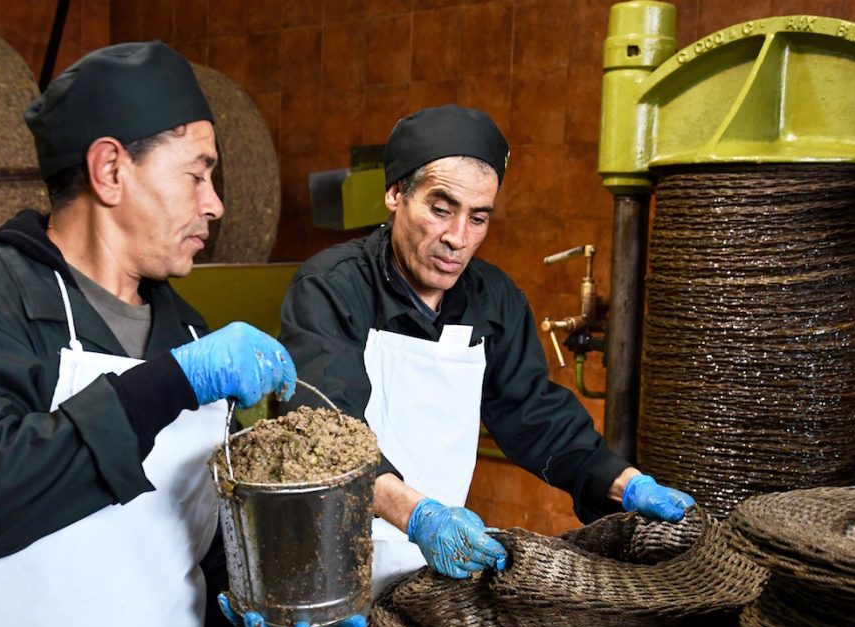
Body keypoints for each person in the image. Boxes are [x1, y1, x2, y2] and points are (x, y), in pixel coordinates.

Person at [0, 42, 359, 627]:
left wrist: (249, 618)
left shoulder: (187, 331)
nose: (215, 204)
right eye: (197, 174)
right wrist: (170, 383)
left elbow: (193, 558)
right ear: (110, 170)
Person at [279, 105, 695, 592]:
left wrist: (626, 485)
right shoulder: (332, 288)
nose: (458, 238)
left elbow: (533, 414)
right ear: (395, 194)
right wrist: (421, 519)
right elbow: (325, 433)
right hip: (326, 562)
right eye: (441, 209)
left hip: (427, 574)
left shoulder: (493, 301)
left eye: (478, 218)